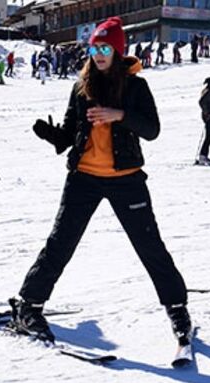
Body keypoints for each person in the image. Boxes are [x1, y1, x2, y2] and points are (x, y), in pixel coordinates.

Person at [13, 17, 193, 350]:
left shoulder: (136, 87)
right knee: (60, 242)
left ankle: (177, 308)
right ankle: (28, 305)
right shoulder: (81, 86)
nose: (98, 54)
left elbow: (152, 130)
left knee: (149, 245)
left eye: (105, 48)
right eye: (94, 47)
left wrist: (119, 115)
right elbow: (70, 133)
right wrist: (53, 136)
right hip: (84, 178)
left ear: (117, 49)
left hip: (126, 179)